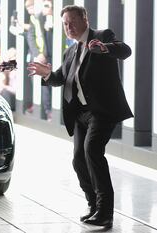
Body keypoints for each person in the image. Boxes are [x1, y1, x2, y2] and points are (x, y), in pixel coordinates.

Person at [27, 5, 132, 228]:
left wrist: (104, 48)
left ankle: (105, 212)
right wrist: (47, 75)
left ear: (85, 19)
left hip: (101, 110)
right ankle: (93, 205)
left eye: (72, 22)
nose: (69, 27)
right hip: (81, 114)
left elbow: (124, 50)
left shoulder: (101, 37)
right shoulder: (70, 51)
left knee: (92, 150)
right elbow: (61, 79)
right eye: (65, 23)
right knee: (78, 159)